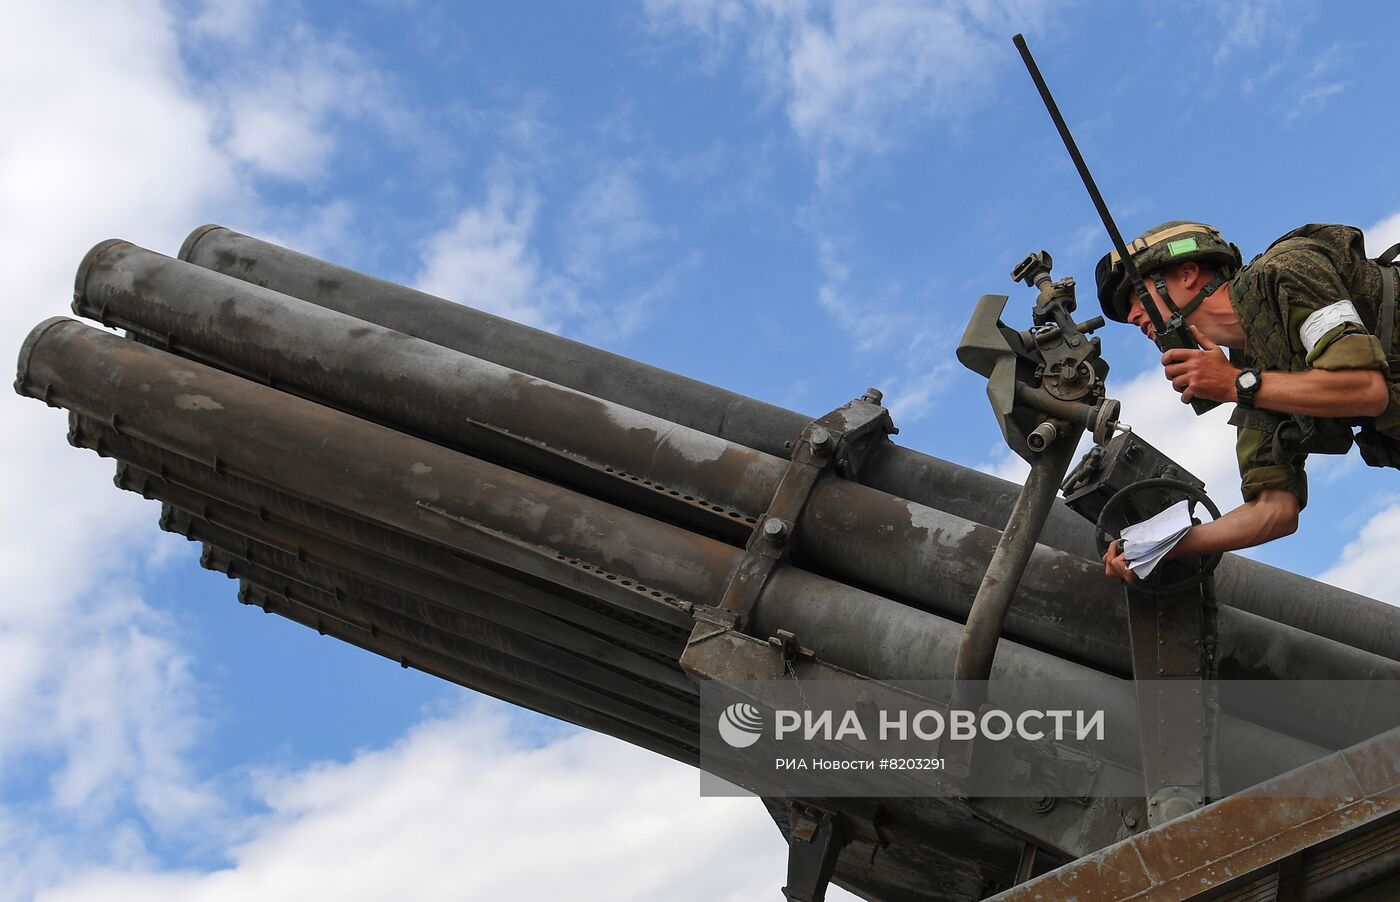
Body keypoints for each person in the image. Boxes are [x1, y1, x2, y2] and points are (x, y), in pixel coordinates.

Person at [1093, 221, 1400, 583]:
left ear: (1188, 273)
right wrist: (1161, 547)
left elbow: (1366, 389)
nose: (1131, 316)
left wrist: (1233, 385)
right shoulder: (1249, 371)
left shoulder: (1286, 270)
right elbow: (1274, 509)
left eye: (1136, 294)